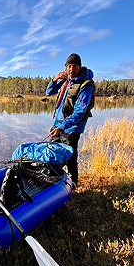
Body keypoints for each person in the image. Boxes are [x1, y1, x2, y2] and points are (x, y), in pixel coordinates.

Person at [46, 53, 95, 187]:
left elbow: (79, 112)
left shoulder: (86, 85)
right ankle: (53, 182)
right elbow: (48, 92)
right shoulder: (65, 80)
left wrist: (62, 127)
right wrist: (55, 79)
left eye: (74, 66)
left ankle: (73, 184)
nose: (71, 70)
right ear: (66, 67)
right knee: (51, 151)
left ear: (80, 67)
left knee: (70, 156)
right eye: (69, 66)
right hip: (57, 124)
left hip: (72, 127)